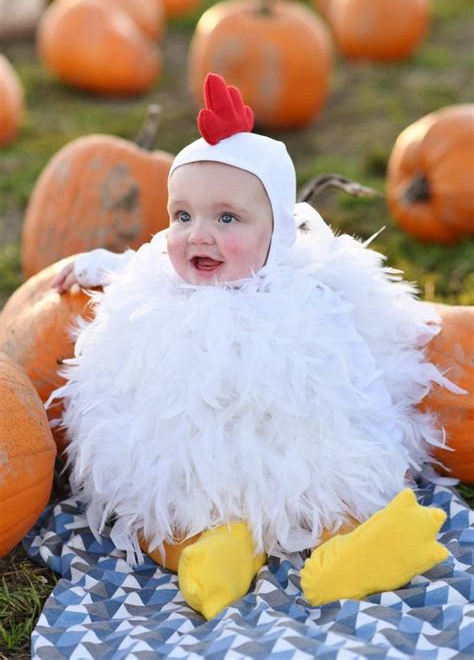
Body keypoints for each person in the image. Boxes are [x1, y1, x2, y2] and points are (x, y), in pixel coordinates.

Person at [49, 73, 455, 621]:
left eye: (227, 217)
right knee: (149, 494)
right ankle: (207, 548)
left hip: (289, 447)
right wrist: (95, 264)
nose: (199, 234)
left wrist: (382, 448)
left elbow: (352, 373)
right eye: (183, 215)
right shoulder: (163, 284)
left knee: (331, 484)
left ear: (277, 234)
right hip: (190, 446)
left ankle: (358, 542)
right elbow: (137, 263)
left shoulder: (304, 298)